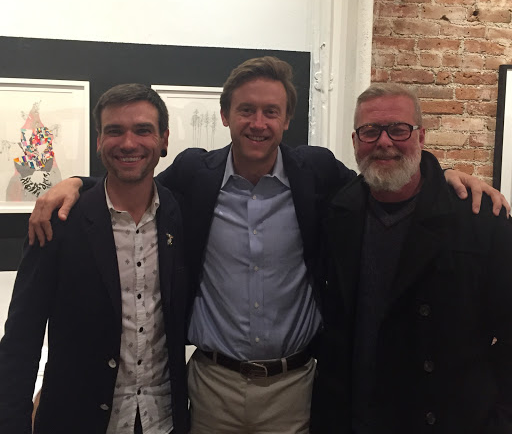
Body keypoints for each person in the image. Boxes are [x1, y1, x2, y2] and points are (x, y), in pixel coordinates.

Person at [27, 58, 508, 434]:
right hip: (212, 385)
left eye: (271, 112)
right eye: (246, 110)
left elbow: (383, 174)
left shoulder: (317, 174)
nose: (258, 122)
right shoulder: (195, 174)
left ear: (287, 119)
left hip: (293, 388)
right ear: (225, 115)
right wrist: (76, 183)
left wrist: (444, 174)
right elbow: (134, 181)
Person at [311, 84, 512, 434]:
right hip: (355, 418)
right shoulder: (337, 213)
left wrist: (500, 421)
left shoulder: (479, 219)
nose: (384, 142)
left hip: (446, 421)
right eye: (370, 131)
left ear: (420, 136)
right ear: (355, 141)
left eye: (398, 129)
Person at [0, 84, 189, 434]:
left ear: (164, 139)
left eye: (142, 130)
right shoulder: (57, 221)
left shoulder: (180, 213)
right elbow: (21, 338)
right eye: (115, 131)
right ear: (99, 141)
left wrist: (76, 180)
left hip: (163, 419)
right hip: (77, 420)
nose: (128, 143)